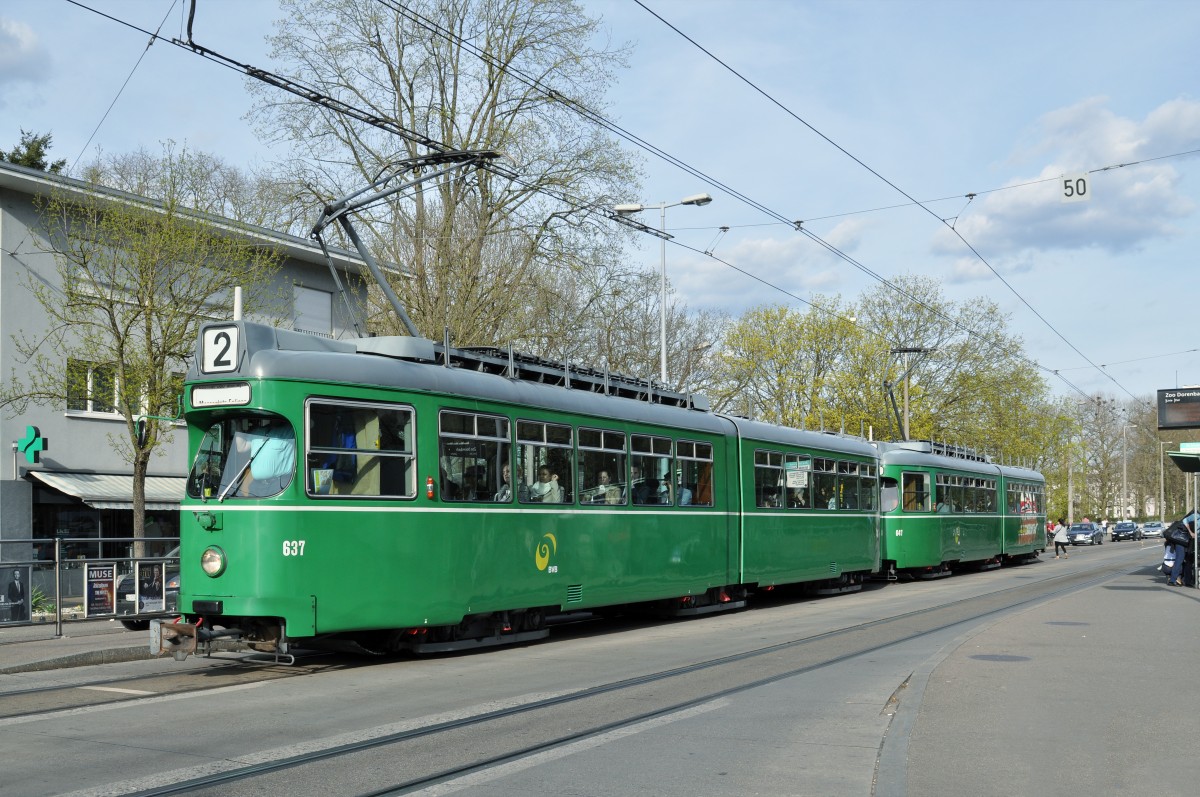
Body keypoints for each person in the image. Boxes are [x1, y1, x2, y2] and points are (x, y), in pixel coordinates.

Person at [1165, 516, 1195, 586]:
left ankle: (1187, 581)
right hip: (1181, 540)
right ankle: (1172, 580)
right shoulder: (1196, 515)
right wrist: (1191, 532)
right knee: (1180, 559)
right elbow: (1185, 520)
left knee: (1188, 560)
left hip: (1187, 541)